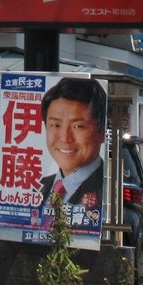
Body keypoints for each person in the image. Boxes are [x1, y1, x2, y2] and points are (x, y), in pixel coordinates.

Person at [37, 77, 107, 224]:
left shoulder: (106, 189)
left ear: (101, 130)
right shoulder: (39, 187)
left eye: (78, 126)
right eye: (55, 125)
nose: (64, 138)